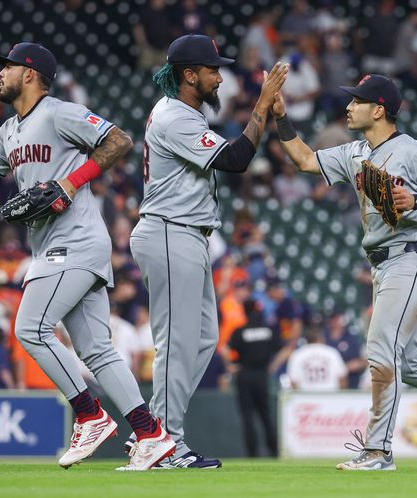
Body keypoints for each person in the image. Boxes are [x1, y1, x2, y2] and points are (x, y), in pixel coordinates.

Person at [0, 42, 173, 471]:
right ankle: (150, 434)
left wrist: (71, 183)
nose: (0, 74)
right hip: (56, 246)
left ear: (30, 73)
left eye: (8, 67)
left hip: (76, 241)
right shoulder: (10, 130)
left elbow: (119, 140)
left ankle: (90, 416)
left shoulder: (59, 112)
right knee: (97, 352)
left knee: (30, 328)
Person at [271, 74, 417, 471]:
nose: (348, 107)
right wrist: (281, 118)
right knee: (408, 364)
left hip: (411, 258)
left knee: (381, 353)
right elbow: (306, 160)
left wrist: (414, 198)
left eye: (357, 101)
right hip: (383, 266)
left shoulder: (413, 152)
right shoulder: (355, 152)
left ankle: (378, 451)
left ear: (378, 109)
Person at [127, 34, 288, 469]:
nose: (220, 76)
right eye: (213, 69)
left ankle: (157, 434)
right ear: (189, 74)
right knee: (175, 344)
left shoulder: (185, 113)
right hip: (168, 232)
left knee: (200, 340)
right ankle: (160, 442)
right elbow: (236, 160)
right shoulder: (175, 115)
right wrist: (262, 104)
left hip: (186, 234)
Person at [228, 299, 282, 457]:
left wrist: (231, 366)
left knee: (247, 416)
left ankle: (253, 453)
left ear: (244, 311)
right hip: (262, 374)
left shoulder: (240, 331)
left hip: (245, 374)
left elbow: (227, 348)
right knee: (265, 414)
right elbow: (282, 348)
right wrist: (273, 365)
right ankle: (274, 451)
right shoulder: (268, 329)